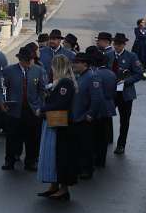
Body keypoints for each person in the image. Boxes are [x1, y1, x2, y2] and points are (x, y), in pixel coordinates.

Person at [0, 46, 45, 171]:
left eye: (32, 60)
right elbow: (2, 88)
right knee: (12, 137)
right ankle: (10, 160)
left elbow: (42, 90)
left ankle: (30, 161)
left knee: (32, 138)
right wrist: (2, 101)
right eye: (28, 60)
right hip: (14, 109)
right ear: (21, 60)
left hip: (32, 109)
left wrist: (40, 105)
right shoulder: (9, 71)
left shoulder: (38, 70)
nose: (31, 62)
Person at [37, 57, 76, 200]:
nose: (51, 70)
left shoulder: (65, 82)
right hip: (54, 122)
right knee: (52, 154)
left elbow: (60, 103)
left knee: (61, 155)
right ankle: (53, 185)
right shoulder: (59, 83)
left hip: (61, 125)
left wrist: (42, 109)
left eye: (53, 67)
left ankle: (63, 189)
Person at [71, 52, 105, 184]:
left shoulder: (92, 77)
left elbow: (97, 99)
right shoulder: (80, 76)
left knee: (86, 145)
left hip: (85, 118)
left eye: (77, 63)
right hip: (77, 116)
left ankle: (87, 169)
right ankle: (80, 167)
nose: (74, 65)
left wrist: (90, 114)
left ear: (85, 64)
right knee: (79, 144)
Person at [111, 33, 144, 155]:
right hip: (111, 92)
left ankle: (121, 145)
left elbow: (139, 73)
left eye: (119, 44)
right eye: (115, 44)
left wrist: (126, 82)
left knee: (124, 120)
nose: (117, 46)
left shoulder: (131, 56)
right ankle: (107, 139)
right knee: (105, 116)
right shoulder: (109, 55)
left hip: (125, 93)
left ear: (124, 44)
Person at [87, 47, 116, 169]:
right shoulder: (111, 73)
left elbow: (95, 94)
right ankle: (102, 160)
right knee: (104, 136)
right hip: (109, 106)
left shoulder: (95, 74)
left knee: (95, 135)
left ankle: (96, 158)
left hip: (98, 108)